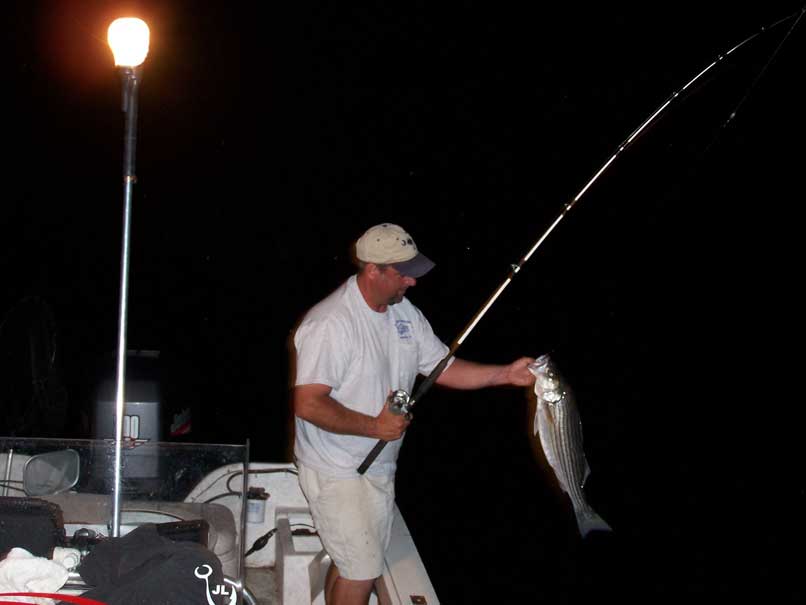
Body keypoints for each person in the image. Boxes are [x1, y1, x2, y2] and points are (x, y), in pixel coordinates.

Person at [292, 223, 535, 605]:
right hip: (335, 468)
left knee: (354, 561)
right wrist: (375, 425)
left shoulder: (404, 313)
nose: (413, 282)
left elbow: (445, 368)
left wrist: (504, 374)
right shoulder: (331, 323)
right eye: (403, 273)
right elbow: (308, 403)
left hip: (378, 466)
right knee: (364, 570)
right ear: (373, 269)